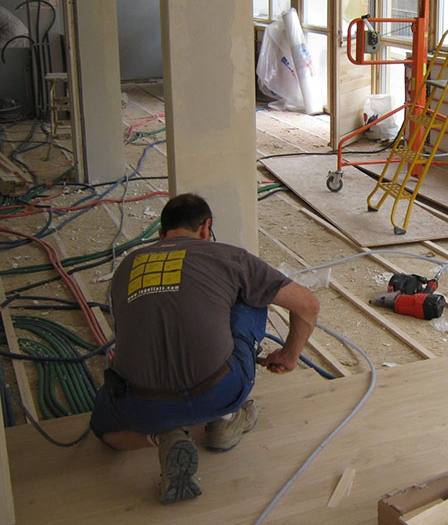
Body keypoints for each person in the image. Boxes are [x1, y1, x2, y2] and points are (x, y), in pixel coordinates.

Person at [90, 193, 319, 503]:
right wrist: (289, 356)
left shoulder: (126, 267)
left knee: (104, 429)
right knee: (253, 295)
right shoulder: (230, 257)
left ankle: (163, 435)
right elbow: (307, 303)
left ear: (161, 234)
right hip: (220, 390)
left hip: (141, 407)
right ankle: (225, 423)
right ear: (205, 228)